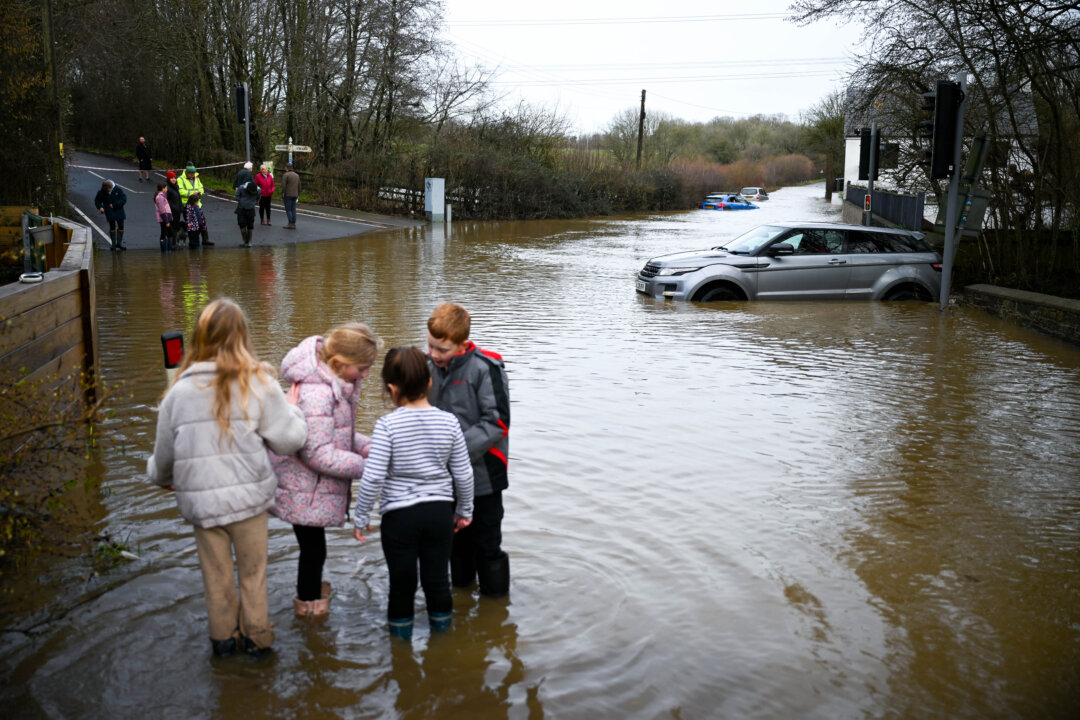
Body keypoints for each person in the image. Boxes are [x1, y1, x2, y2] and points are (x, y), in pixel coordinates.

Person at [147, 298, 307, 658]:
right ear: (242, 337)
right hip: (249, 504)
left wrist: (158, 476)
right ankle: (258, 645)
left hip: (202, 505)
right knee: (253, 577)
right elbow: (289, 440)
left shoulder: (177, 393)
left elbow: (163, 461)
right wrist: (293, 408)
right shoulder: (258, 383)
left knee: (216, 579)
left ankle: (222, 646)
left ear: (198, 338)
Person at [353, 346, 474, 640]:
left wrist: (360, 517)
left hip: (399, 517)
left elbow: (373, 477)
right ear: (429, 382)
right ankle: (443, 642)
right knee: (437, 581)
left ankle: (401, 649)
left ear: (391, 389)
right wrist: (465, 511)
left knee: (402, 583)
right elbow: (463, 473)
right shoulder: (449, 422)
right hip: (438, 513)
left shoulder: (387, 426)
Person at [271, 324, 382, 618]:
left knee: (314, 551)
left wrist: (373, 446)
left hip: (309, 489)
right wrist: (367, 467)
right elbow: (318, 454)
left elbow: (337, 435)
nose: (366, 375)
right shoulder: (318, 394)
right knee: (312, 552)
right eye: (363, 368)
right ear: (338, 363)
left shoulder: (330, 384)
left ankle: (312, 600)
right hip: (305, 490)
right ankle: (309, 613)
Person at [426, 303, 511, 598]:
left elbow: (498, 422)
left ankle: (496, 607)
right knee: (455, 544)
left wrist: (451, 451)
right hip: (443, 477)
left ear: (462, 344)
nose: (434, 355)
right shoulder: (427, 367)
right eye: (430, 346)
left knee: (488, 545)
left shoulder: (486, 368)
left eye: (442, 349)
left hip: (484, 475)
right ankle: (462, 599)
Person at [94, 179, 127, 251]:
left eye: (111, 189)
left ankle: (119, 243)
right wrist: (100, 207)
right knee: (112, 226)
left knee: (121, 225)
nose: (110, 190)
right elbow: (97, 201)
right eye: (109, 189)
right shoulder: (101, 192)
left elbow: (123, 199)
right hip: (109, 211)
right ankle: (113, 244)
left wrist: (115, 205)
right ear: (105, 188)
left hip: (119, 210)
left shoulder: (117, 189)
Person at [235, 180, 259, 247]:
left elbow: (258, 198)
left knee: (250, 225)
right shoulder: (241, 188)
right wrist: (242, 202)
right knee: (241, 223)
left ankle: (249, 241)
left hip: (251, 209)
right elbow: (237, 196)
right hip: (241, 208)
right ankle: (244, 240)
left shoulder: (258, 190)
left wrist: (253, 203)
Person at [165, 171, 185, 246]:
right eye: (172, 178)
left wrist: (181, 208)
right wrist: (173, 208)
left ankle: (173, 243)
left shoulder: (175, 187)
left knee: (175, 228)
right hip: (172, 212)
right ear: (168, 179)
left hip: (177, 212)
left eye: (174, 178)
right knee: (171, 229)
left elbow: (178, 199)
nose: (174, 179)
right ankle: (171, 244)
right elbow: (167, 201)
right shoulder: (168, 188)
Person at [154, 182, 174, 251]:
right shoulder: (160, 197)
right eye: (166, 188)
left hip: (166, 218)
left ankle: (168, 249)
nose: (167, 189)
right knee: (165, 233)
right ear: (163, 189)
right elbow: (162, 210)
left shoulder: (162, 196)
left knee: (169, 233)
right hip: (164, 219)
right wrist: (166, 221)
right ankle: (165, 250)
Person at [282, 163, 300, 229]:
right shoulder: (297, 175)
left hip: (288, 194)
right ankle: (294, 223)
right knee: (293, 209)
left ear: (286, 168)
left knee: (288, 209)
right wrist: (299, 194)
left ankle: (290, 223)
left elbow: (284, 186)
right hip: (295, 194)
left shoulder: (285, 175)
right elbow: (299, 185)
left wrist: (283, 192)